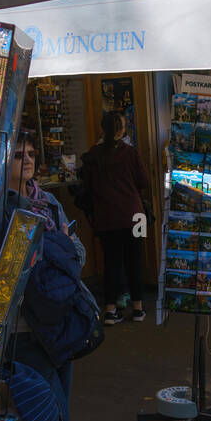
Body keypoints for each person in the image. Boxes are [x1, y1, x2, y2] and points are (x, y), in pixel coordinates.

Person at [6, 128, 85, 421]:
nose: (29, 160)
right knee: (44, 415)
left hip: (58, 323)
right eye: (19, 154)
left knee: (63, 415)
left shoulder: (49, 202)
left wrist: (60, 253)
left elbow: (78, 253)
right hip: (21, 329)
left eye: (32, 153)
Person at [80, 110, 151, 325]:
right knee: (135, 260)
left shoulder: (93, 156)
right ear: (121, 130)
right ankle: (138, 308)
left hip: (106, 217)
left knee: (110, 263)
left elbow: (88, 187)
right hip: (135, 216)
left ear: (103, 129)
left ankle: (110, 311)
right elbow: (144, 182)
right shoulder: (130, 153)